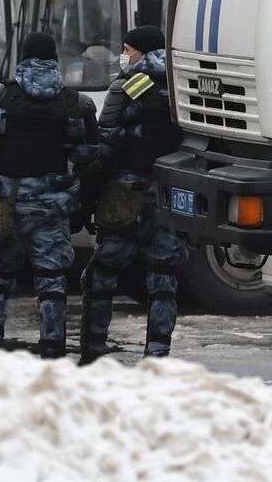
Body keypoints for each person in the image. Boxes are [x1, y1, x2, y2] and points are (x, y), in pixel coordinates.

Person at [0, 31, 97, 356]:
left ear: (22, 57)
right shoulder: (76, 104)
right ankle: (53, 346)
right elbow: (91, 163)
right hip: (52, 211)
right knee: (51, 281)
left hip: (4, 207)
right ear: (55, 60)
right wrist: (83, 209)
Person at [80, 25, 189, 363]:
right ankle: (157, 357)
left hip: (126, 196)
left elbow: (105, 149)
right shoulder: (183, 86)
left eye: (127, 50)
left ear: (141, 51)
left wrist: (87, 202)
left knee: (100, 276)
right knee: (163, 278)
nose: (123, 56)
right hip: (173, 195)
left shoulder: (126, 87)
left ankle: (93, 354)